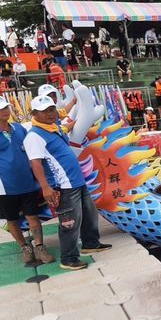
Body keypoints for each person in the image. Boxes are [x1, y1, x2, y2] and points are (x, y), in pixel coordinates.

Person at [24, 95, 112, 270]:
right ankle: (69, 258)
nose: (50, 113)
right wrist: (46, 187)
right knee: (69, 222)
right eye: (44, 111)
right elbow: (35, 163)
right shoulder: (34, 136)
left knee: (89, 213)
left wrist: (80, 118)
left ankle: (90, 243)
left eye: (51, 109)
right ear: (34, 113)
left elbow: (66, 128)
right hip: (62, 185)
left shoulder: (54, 127)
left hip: (76, 180)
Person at [0, 95, 54, 264]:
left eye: (6, 107)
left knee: (33, 216)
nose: (5, 111)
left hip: (27, 182)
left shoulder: (20, 129)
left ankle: (40, 246)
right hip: (3, 187)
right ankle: (25, 247)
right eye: (0, 108)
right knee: (12, 220)